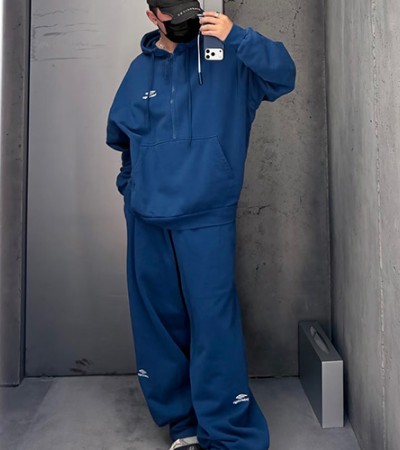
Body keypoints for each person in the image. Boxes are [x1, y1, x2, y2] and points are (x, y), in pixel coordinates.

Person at [105, 1, 296, 449]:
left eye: (190, 9)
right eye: (173, 14)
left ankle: (230, 434)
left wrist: (237, 36)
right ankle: (183, 427)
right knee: (160, 326)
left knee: (214, 326)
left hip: (207, 215)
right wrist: (131, 191)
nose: (186, 20)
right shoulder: (139, 71)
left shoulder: (228, 56)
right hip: (148, 219)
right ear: (153, 17)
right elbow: (124, 141)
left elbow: (283, 75)